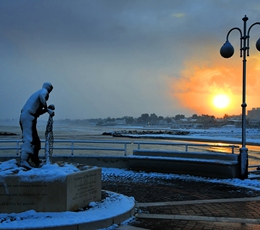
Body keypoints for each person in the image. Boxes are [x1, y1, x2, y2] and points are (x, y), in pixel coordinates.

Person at [19, 82, 55, 169]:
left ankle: (35, 160)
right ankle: (24, 161)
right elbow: (42, 97)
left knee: (36, 141)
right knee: (29, 139)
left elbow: (37, 113)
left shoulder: (38, 93)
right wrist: (47, 109)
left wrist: (47, 110)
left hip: (28, 117)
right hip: (28, 118)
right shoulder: (43, 91)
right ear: (49, 89)